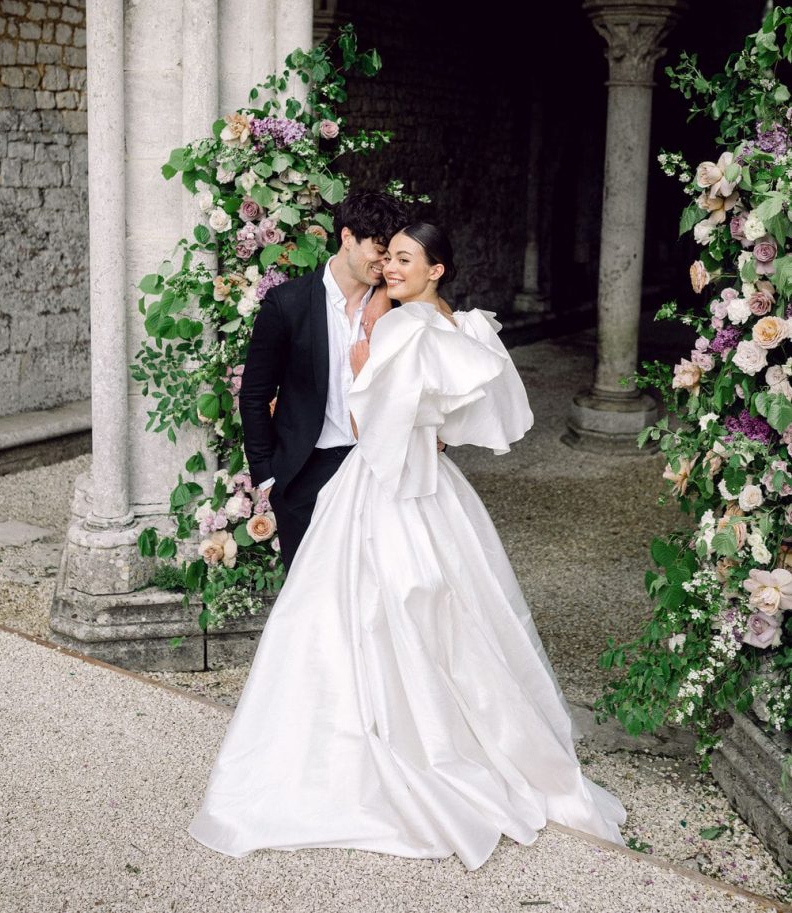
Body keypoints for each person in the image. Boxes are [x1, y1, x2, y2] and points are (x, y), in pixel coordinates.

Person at [189, 222, 627, 870]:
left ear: (436, 268)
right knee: (450, 610)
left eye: (403, 258)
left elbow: (374, 426)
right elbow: (478, 422)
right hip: (434, 488)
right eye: (387, 256)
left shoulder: (392, 328)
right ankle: (457, 738)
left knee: (368, 610)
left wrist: (370, 366)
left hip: (380, 485)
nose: (389, 267)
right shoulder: (465, 328)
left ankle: (383, 750)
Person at [238, 188, 408, 571]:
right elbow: (253, 396)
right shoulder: (287, 304)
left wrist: (383, 293)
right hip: (305, 476)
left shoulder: (397, 307)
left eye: (392, 254)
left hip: (376, 469)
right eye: (379, 250)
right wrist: (267, 476)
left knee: (375, 592)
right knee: (310, 597)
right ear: (347, 237)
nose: (385, 263)